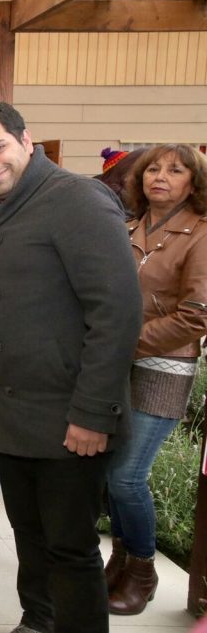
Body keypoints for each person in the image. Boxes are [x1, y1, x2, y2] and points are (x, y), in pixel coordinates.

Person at [0, 102, 142, 633]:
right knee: (30, 537)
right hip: (13, 418)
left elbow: (116, 314)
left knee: (70, 548)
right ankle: (38, 620)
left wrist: (93, 414)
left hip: (70, 420)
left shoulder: (77, 199)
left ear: (26, 140)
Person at [105, 144, 207, 615]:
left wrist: (127, 343)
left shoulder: (201, 232)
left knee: (128, 477)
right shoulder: (128, 226)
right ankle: (120, 561)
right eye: (153, 169)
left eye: (175, 170)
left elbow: (196, 315)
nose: (159, 177)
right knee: (110, 474)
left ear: (194, 182)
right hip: (114, 366)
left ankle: (143, 571)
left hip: (163, 367)